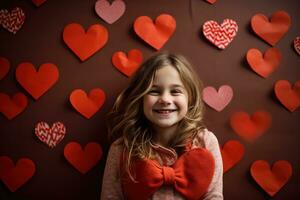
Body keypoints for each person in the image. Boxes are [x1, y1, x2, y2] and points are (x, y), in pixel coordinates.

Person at [101, 52, 223, 200]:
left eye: (175, 91)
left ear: (190, 98)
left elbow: (213, 197)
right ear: (140, 98)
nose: (165, 99)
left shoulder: (206, 142)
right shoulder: (121, 147)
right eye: (154, 91)